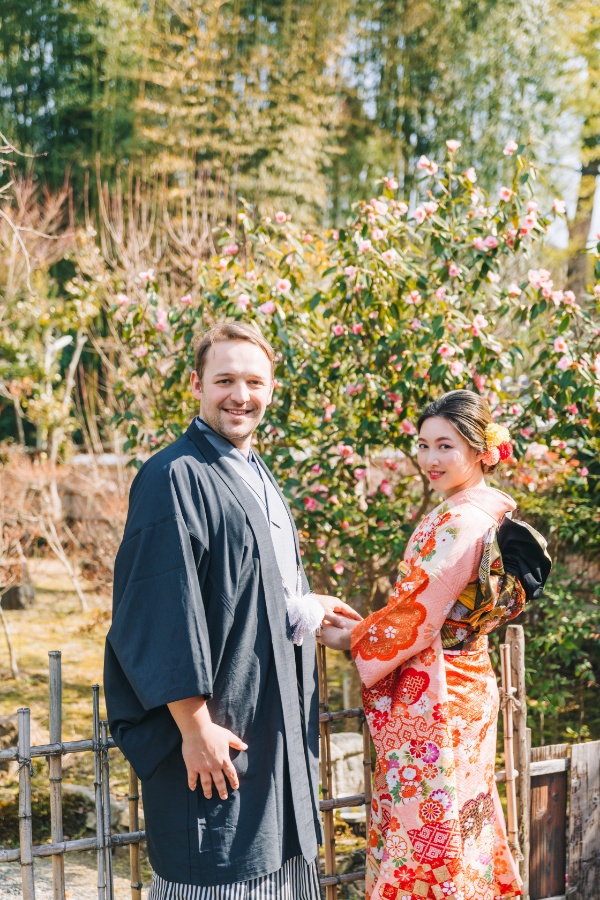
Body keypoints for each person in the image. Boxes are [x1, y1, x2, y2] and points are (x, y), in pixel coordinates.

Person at [104, 321, 360, 899]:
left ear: (271, 390)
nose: (239, 395)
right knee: (220, 869)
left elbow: (251, 584)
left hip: (271, 723)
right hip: (217, 729)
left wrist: (307, 607)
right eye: (224, 380)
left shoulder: (257, 472)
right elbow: (159, 606)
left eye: (253, 381)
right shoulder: (174, 475)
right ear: (196, 383)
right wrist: (194, 730)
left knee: (279, 862)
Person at [320, 390, 525, 900]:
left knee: (429, 824)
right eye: (423, 445)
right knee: (462, 813)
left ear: (480, 451)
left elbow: (420, 613)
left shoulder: (462, 521)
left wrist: (353, 638)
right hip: (465, 676)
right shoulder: (482, 512)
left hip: (439, 691)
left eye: (445, 447)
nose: (430, 459)